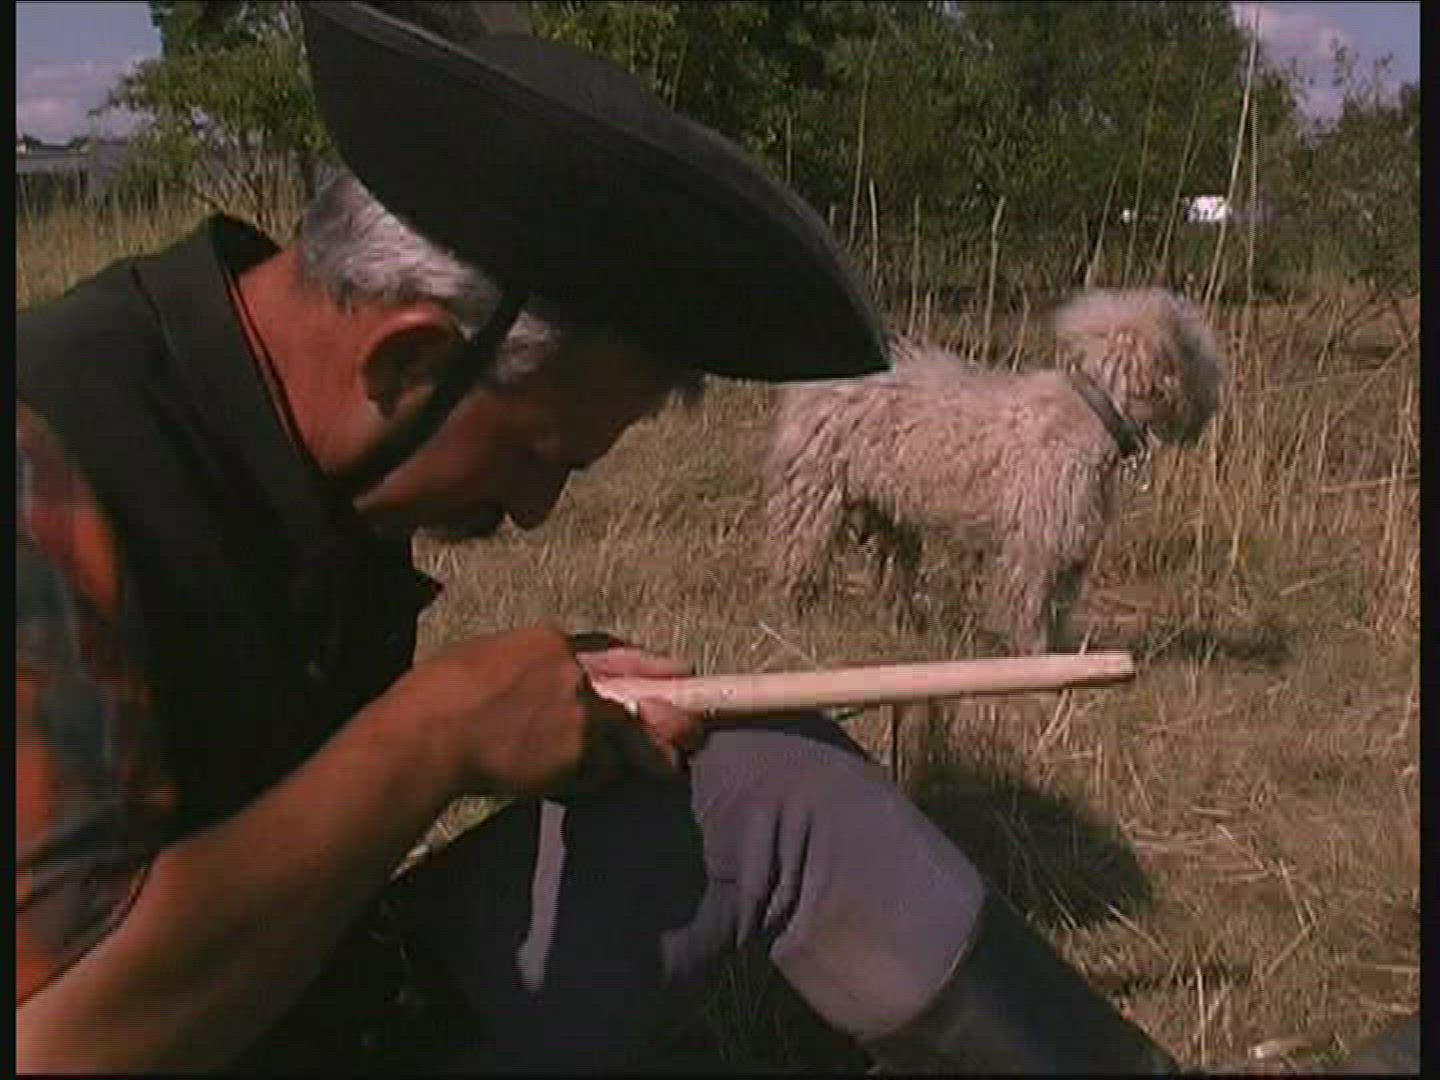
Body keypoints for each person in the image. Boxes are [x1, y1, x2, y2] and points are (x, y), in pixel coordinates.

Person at [15, 3, 1179, 1073]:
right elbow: (60, 1041)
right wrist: (429, 739)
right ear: (410, 359)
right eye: (542, 458)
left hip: (324, 998)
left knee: (766, 776)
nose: (534, 513)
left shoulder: (303, 425)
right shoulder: (47, 468)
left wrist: (513, 715)